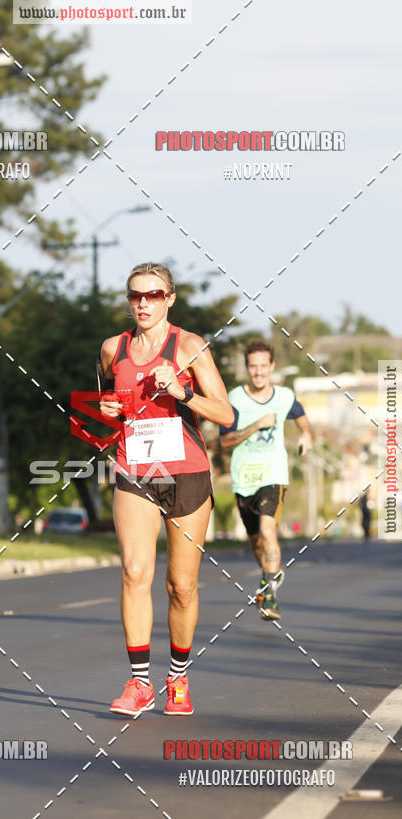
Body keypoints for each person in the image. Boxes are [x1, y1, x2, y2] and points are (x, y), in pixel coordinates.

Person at [98, 262, 234, 717]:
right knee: (136, 572)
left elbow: (226, 414)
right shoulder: (112, 349)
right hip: (135, 470)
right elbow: (108, 412)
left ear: (169, 299)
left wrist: (182, 391)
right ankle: (140, 683)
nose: (143, 303)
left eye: (154, 295)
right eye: (136, 295)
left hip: (187, 472)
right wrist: (106, 411)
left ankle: (178, 677)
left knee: (181, 585)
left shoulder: (190, 346)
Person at [219, 339, 312, 621]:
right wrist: (256, 425)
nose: (258, 372)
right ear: (247, 368)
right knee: (256, 541)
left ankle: (269, 594)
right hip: (243, 477)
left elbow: (300, 416)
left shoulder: (284, 396)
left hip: (273, 473)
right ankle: (269, 573)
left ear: (272, 366)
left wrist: (306, 434)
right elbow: (224, 442)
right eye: (253, 367)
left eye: (263, 366)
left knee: (268, 530)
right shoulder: (235, 398)